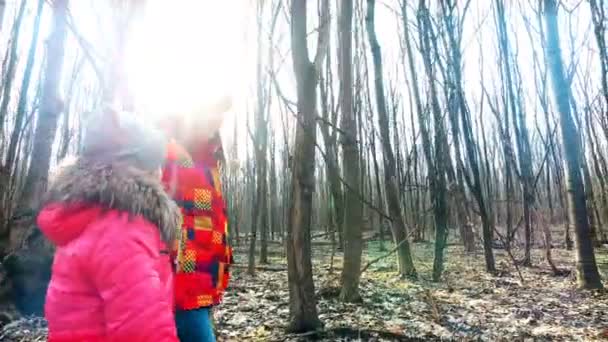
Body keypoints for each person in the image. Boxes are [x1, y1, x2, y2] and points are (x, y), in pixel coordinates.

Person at [37, 107, 181, 342]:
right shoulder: (122, 229)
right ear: (140, 170)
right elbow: (143, 332)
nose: (160, 173)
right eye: (155, 165)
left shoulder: (87, 216)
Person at [159, 97, 233, 342]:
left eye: (220, 115)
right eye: (212, 112)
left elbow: (212, 216)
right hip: (179, 277)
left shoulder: (210, 158)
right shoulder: (166, 151)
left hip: (206, 274)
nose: (217, 120)